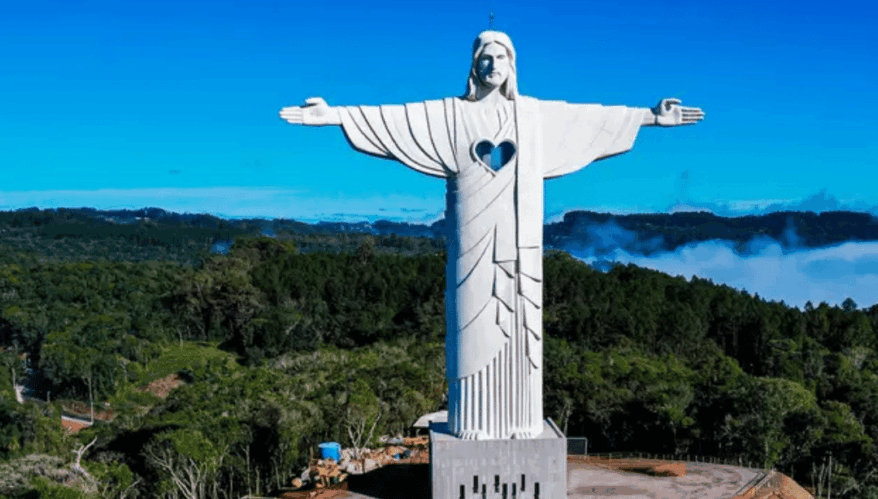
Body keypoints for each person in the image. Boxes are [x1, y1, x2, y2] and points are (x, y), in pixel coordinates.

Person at [280, 30, 703, 440]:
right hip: (472, 244)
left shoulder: (533, 115)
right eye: (484, 57)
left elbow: (590, 119)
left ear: (512, 64)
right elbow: (399, 118)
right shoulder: (451, 114)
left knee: (521, 324)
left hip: (522, 245)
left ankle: (522, 420)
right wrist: (334, 115)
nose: (492, 64)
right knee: (471, 324)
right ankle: (472, 420)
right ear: (473, 64)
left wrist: (650, 116)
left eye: (501, 57)